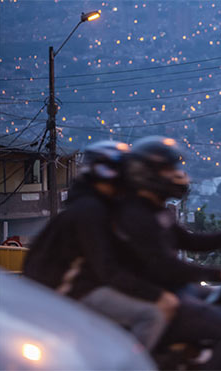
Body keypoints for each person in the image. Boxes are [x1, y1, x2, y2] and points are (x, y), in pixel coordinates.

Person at [113, 136, 221, 369]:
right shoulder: (136, 216)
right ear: (146, 174)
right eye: (168, 169)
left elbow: (192, 241)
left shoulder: (157, 210)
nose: (177, 175)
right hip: (157, 298)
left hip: (176, 291)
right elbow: (168, 267)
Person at [23, 141, 178, 350]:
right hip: (67, 292)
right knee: (152, 314)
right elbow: (107, 268)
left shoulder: (94, 205)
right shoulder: (91, 210)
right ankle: (129, 365)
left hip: (74, 288)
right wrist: (156, 295)